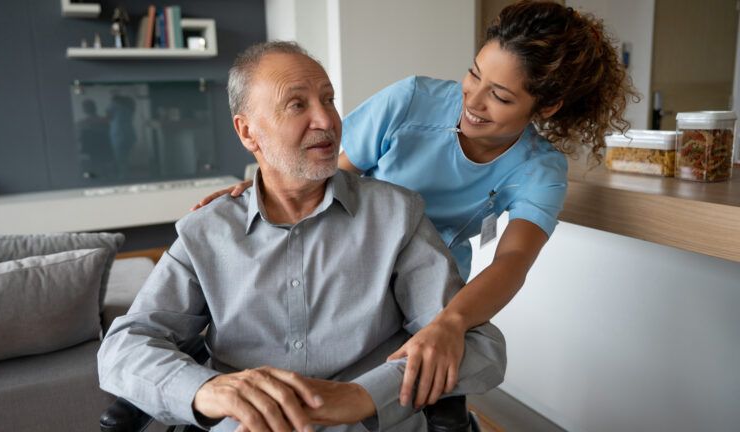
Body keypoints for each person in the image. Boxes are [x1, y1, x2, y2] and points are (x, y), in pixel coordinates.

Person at [193, 0, 638, 411]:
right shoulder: (411, 101)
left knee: (456, 357)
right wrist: (257, 192)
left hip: (429, 290)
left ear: (548, 106)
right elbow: (325, 173)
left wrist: (451, 321)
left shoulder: (539, 168)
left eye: (500, 97)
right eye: (474, 74)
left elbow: (514, 259)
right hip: (348, 264)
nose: (474, 101)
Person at [98, 41, 506, 432]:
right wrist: (206, 390)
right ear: (248, 133)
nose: (326, 119)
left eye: (328, 99)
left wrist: (362, 396)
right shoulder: (206, 231)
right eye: (298, 104)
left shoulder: (396, 215)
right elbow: (122, 350)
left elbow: (479, 347)